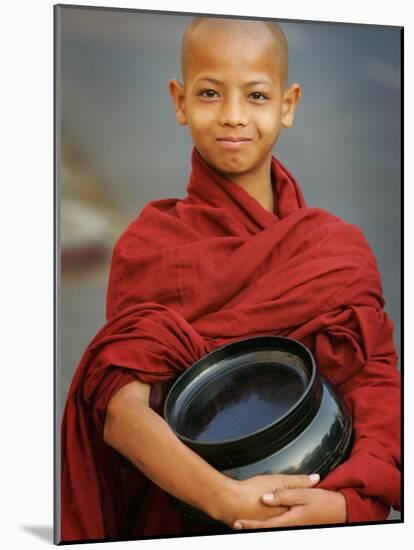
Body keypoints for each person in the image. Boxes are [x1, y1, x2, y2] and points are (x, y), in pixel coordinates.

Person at [60, 17, 401, 542]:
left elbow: (373, 380)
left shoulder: (334, 249)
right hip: (188, 517)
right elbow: (121, 410)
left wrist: (346, 503)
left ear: (288, 105)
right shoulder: (150, 246)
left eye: (257, 95)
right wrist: (224, 500)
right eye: (210, 93)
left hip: (317, 502)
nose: (234, 116)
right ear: (179, 101)